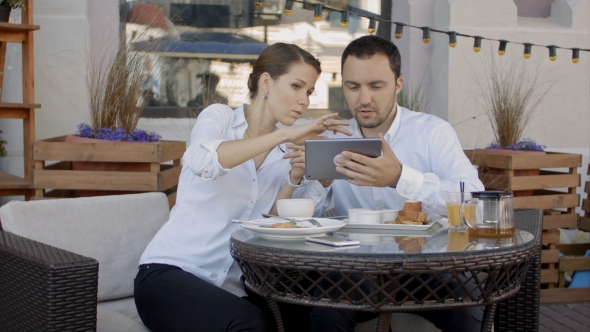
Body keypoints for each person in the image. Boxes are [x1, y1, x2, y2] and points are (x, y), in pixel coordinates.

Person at [134, 43, 351, 332]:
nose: (304, 101)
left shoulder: (283, 153)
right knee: (251, 324)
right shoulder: (220, 118)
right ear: (266, 82)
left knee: (310, 316)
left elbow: (271, 228)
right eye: (296, 86)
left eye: (309, 91)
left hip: (235, 288)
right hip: (169, 275)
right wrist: (284, 135)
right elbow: (203, 160)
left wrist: (297, 177)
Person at [304, 35, 486, 332]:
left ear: (398, 85)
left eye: (376, 86)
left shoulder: (432, 132)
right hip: (355, 268)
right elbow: (308, 221)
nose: (364, 99)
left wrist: (401, 178)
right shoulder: (335, 140)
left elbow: (473, 199)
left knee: (468, 312)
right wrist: (320, 183)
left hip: (430, 268)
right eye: (353, 86)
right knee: (327, 311)